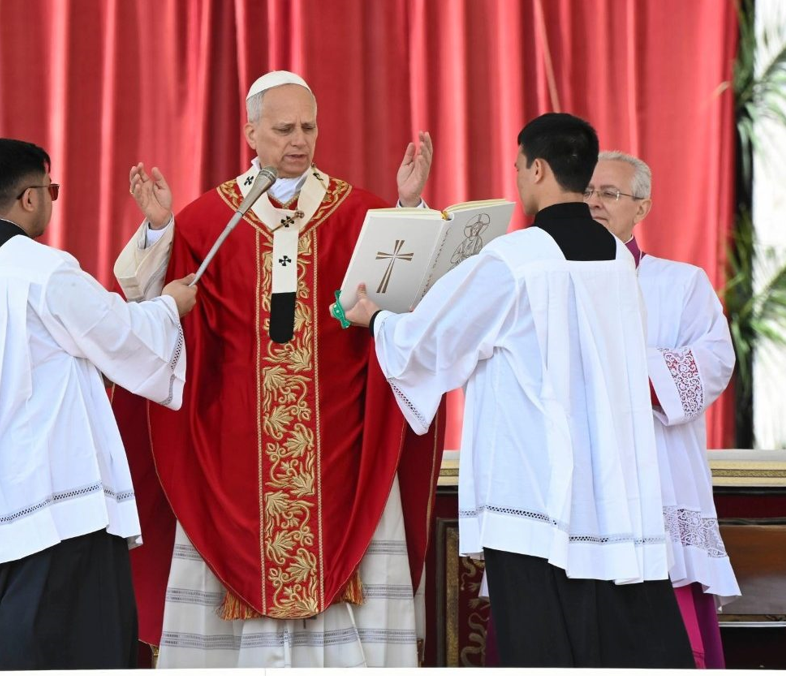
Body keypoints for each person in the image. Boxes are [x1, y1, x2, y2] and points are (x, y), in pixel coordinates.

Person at [113, 70, 440, 667]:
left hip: (340, 440)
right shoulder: (210, 220)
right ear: (250, 132)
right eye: (284, 128)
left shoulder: (359, 213)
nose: (299, 140)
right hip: (234, 443)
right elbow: (150, 307)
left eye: (308, 127)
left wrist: (410, 207)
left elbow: (407, 294)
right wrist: (163, 227)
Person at [344, 113, 696, 668]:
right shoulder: (616, 259)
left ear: (537, 168)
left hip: (533, 492)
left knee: (542, 645)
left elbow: (436, 340)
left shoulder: (516, 261)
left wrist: (378, 321)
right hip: (611, 490)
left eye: (517, 168)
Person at [0, 138, 196, 670]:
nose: (51, 201)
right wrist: (170, 308)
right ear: (28, 198)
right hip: (51, 503)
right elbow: (121, 337)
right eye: (50, 190)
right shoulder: (44, 269)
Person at [586, 150, 739, 668]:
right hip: (581, 488)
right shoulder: (550, 281)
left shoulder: (682, 283)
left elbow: (716, 360)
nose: (594, 203)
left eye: (609, 193)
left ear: (642, 208)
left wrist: (625, 369)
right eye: (587, 192)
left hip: (658, 484)